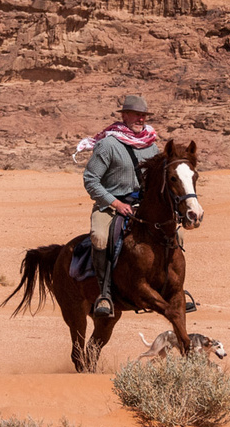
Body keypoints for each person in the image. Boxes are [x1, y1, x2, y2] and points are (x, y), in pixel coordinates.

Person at [82, 95, 160, 317]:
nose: (141, 118)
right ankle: (104, 294)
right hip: (110, 205)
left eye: (143, 115)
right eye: (136, 114)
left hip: (141, 207)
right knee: (99, 236)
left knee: (175, 235)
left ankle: (173, 289)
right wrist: (115, 203)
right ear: (124, 115)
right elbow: (90, 180)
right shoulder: (108, 145)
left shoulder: (151, 145)